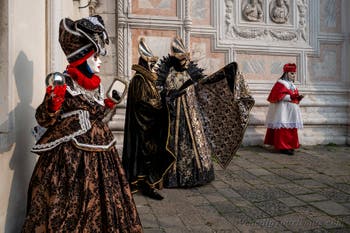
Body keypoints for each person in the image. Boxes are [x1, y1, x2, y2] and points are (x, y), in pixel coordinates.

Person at [22, 15, 143, 232]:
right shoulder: (63, 82)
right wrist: (52, 102)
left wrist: (108, 104)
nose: (99, 61)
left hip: (102, 151)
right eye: (94, 56)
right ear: (81, 57)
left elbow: (97, 117)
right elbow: (44, 119)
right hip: (69, 155)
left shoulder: (95, 86)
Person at [157, 37, 215, 187]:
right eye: (181, 58)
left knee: (193, 139)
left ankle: (198, 172)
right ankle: (172, 175)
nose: (184, 62)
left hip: (191, 112)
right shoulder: (167, 71)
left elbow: (201, 90)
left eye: (186, 58)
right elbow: (161, 90)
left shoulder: (191, 71)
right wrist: (170, 95)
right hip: (173, 114)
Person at [122, 38, 175, 200]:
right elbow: (143, 104)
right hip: (142, 128)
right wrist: (160, 104)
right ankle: (145, 184)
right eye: (151, 64)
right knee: (145, 156)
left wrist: (163, 98)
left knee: (152, 155)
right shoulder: (139, 80)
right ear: (144, 64)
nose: (153, 67)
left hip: (149, 127)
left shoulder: (146, 79)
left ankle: (149, 183)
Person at [264, 63, 304, 156]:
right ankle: (283, 147)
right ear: (286, 73)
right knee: (283, 128)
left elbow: (294, 96)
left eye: (294, 73)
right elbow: (278, 96)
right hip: (283, 110)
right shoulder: (280, 83)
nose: (293, 75)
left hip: (291, 110)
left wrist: (298, 98)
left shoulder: (292, 85)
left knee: (291, 128)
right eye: (291, 73)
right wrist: (292, 96)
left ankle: (290, 146)